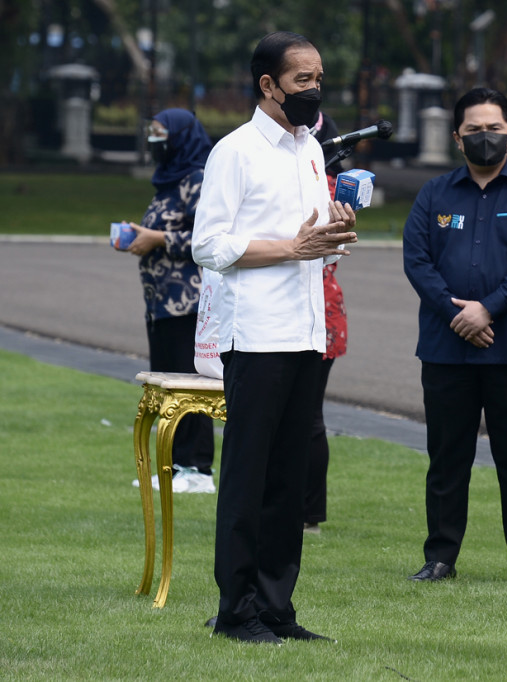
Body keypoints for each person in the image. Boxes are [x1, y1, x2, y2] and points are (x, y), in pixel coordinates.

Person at [192, 30, 357, 645]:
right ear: (268, 85)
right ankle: (236, 611)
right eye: (303, 81)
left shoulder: (309, 150)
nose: (315, 91)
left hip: (307, 330)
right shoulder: (234, 152)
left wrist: (337, 229)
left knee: (289, 480)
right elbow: (207, 245)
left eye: (319, 80)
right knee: (248, 477)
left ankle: (276, 609)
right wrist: (292, 248)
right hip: (256, 335)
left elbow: (309, 237)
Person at [402, 87, 507, 587]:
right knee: (447, 457)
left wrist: (487, 309)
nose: (484, 138)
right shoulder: (434, 194)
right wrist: (459, 316)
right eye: (473, 130)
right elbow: (417, 260)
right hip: (446, 349)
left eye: (493, 129)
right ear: (457, 138)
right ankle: (441, 557)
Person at [124, 108, 215, 494]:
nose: (154, 139)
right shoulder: (168, 181)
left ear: (179, 136)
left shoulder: (198, 180)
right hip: (160, 303)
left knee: (189, 388)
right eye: (152, 131)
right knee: (165, 388)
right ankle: (173, 466)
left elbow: (209, 240)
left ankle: (198, 469)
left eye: (161, 133)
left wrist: (158, 239)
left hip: (188, 304)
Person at [304, 110, 349, 534]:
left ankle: (308, 513)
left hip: (317, 313)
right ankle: (303, 512)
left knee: (306, 417)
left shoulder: (322, 186)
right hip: (311, 312)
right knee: (306, 416)